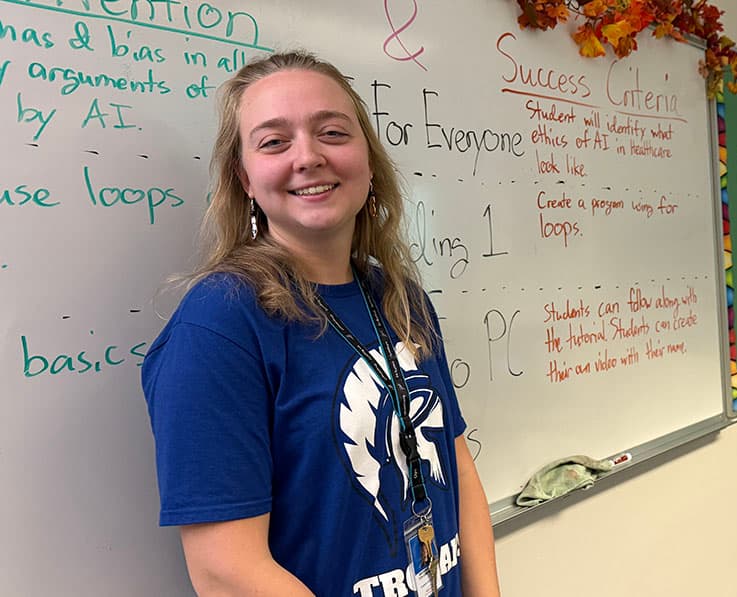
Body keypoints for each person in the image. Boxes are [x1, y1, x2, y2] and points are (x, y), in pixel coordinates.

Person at [141, 51, 500, 597]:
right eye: (274, 142)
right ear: (245, 178)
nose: (307, 157)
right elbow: (225, 571)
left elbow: (458, 466)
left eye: (332, 132)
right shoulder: (221, 325)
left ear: (368, 158)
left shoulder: (402, 299)